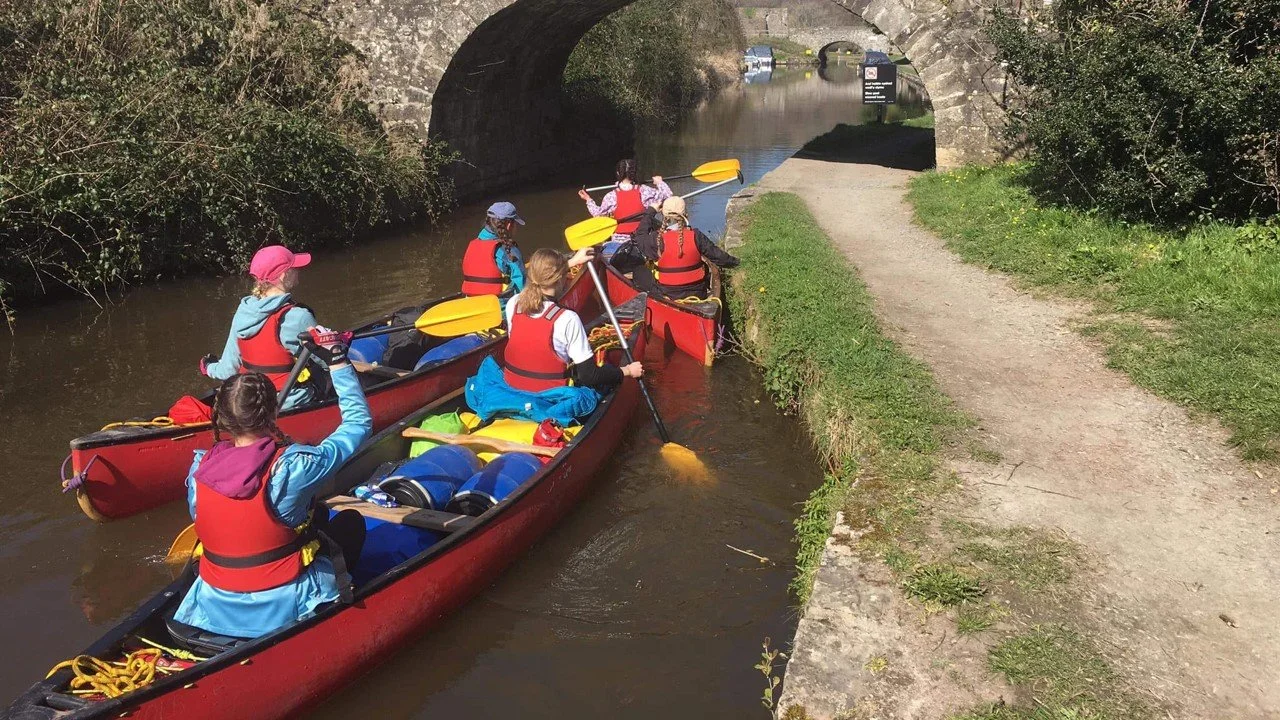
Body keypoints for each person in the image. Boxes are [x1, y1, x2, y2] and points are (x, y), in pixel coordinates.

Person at [173, 327, 371, 639]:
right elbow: (359, 424)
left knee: (311, 517)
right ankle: (332, 613)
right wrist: (337, 360)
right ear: (273, 411)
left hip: (212, 602)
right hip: (282, 604)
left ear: (223, 419)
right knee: (349, 523)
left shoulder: (200, 468)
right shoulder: (294, 467)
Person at [503, 248, 643, 392]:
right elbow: (589, 376)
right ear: (561, 279)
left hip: (513, 388)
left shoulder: (514, 304)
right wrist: (626, 371)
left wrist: (573, 261)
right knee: (604, 373)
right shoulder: (567, 319)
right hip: (551, 397)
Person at [201, 245, 319, 410]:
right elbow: (328, 362)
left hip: (250, 403)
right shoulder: (299, 316)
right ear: (285, 276)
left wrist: (208, 367)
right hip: (287, 403)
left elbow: (228, 370)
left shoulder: (243, 312)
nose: (298, 271)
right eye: (294, 268)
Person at [640, 196, 739, 299]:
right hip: (697, 294)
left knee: (645, 279)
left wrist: (651, 211)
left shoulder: (656, 239)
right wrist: (737, 263)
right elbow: (719, 257)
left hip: (666, 294)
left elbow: (640, 235)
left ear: (663, 215)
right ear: (686, 214)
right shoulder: (696, 236)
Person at [577, 159, 673, 244]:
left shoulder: (611, 196)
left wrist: (588, 200)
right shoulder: (645, 191)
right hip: (642, 239)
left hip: (619, 242)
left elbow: (597, 214)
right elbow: (668, 196)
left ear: (618, 174)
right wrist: (660, 183)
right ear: (634, 174)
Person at [461, 202, 526, 298]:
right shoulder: (509, 250)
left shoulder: (473, 244)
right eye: (515, 223)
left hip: (471, 303)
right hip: (500, 307)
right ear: (509, 225)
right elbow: (522, 286)